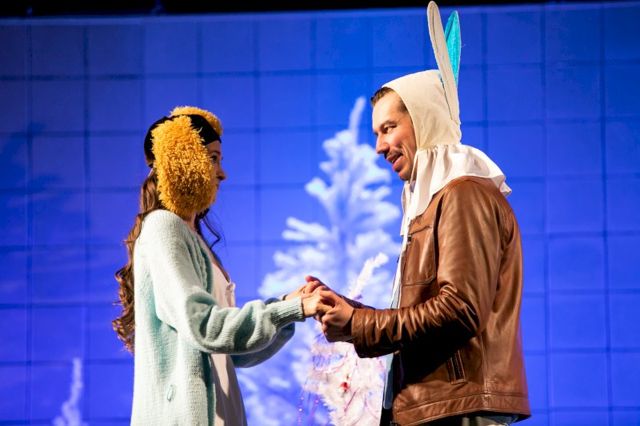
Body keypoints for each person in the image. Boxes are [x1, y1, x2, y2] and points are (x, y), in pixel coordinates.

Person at [310, 2, 531, 425]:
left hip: (459, 409)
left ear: (426, 120)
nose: (379, 147)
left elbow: (458, 309)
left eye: (389, 128)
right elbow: (431, 308)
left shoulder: (464, 194)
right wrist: (348, 312)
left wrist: (359, 323)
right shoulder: (437, 199)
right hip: (443, 407)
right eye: (377, 133)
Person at [112, 105, 327, 425]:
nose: (222, 173)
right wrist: (288, 310)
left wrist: (286, 308)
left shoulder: (190, 236)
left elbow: (230, 351)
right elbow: (203, 326)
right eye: (212, 159)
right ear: (184, 163)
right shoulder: (163, 228)